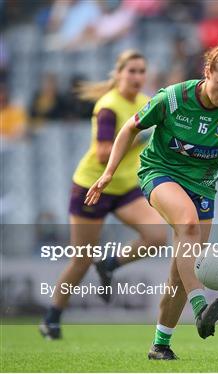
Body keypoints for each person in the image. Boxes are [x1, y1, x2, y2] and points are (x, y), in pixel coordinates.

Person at [85, 37, 218, 360]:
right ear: (207, 71)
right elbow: (128, 129)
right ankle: (200, 307)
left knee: (180, 273)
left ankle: (160, 345)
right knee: (188, 222)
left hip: (203, 187)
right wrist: (109, 172)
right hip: (159, 172)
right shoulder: (173, 98)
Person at [39, 49, 168, 340]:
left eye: (141, 71)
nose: (137, 76)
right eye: (131, 71)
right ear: (119, 73)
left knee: (158, 236)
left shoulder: (145, 102)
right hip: (91, 187)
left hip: (123, 188)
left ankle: (110, 264)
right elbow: (102, 153)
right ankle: (51, 318)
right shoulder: (108, 106)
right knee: (81, 261)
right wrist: (142, 137)